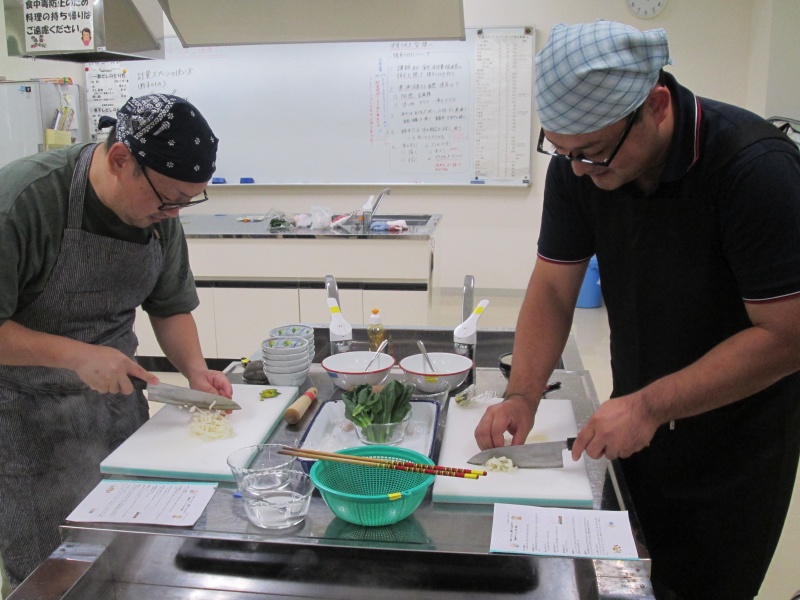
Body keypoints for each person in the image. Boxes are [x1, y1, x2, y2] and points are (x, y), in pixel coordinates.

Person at [474, 21, 800, 600]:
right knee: (630, 579)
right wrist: (522, 393)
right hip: (634, 421)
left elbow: (787, 335)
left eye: (593, 154)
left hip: (734, 445)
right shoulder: (579, 166)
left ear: (656, 106)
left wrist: (651, 405)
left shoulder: (756, 170)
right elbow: (553, 288)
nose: (578, 170)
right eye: (563, 151)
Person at [0, 93, 233, 586]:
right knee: (52, 571)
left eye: (187, 202)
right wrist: (76, 355)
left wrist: (195, 371)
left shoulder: (158, 215)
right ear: (120, 159)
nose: (174, 213)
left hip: (116, 410)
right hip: (22, 422)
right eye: (169, 199)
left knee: (132, 558)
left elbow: (170, 305)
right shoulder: (25, 201)